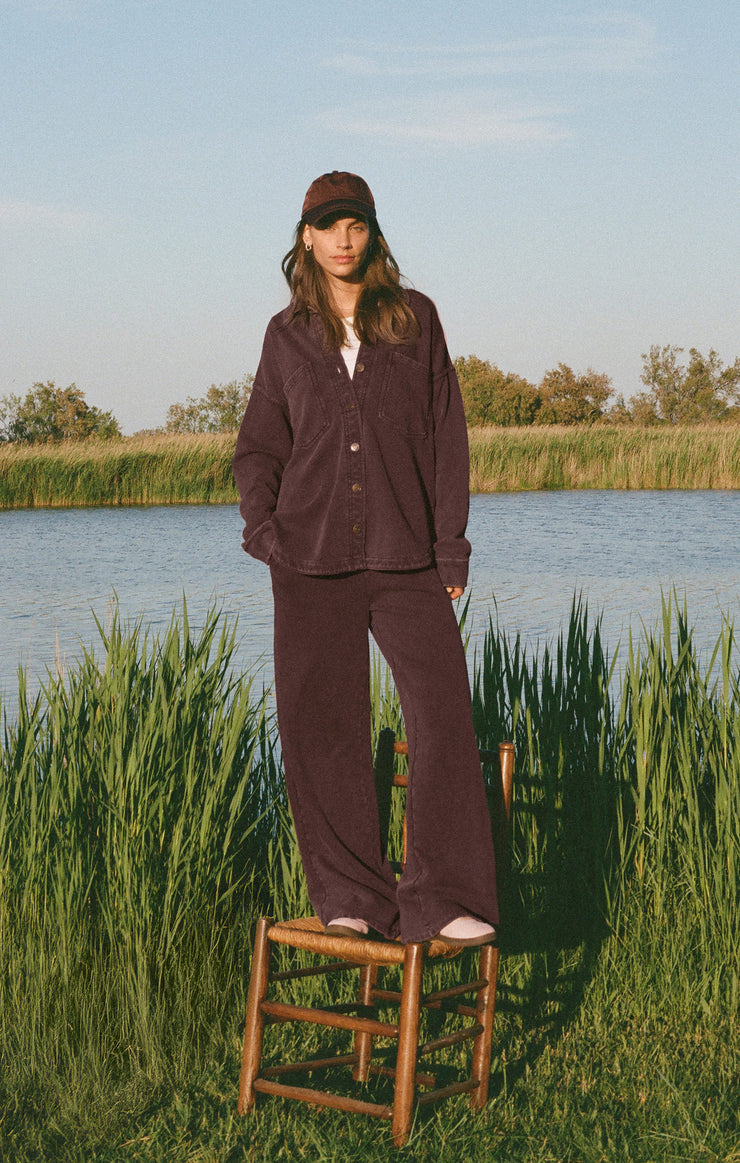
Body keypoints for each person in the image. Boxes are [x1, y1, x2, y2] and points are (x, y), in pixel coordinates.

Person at [233, 171, 498, 946]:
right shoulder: (284, 335)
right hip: (309, 562)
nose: (343, 239)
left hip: (407, 555)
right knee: (323, 731)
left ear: (372, 233)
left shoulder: (416, 319)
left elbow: (446, 436)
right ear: (306, 238)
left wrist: (451, 546)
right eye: (328, 226)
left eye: (355, 224)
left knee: (442, 717)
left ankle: (441, 898)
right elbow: (259, 445)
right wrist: (264, 533)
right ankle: (351, 896)